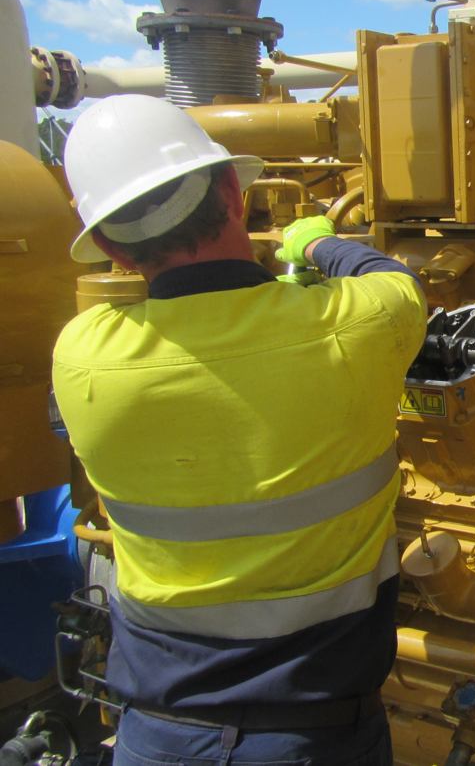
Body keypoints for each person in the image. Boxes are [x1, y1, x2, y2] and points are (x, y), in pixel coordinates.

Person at [52, 94, 427, 766]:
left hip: (155, 735)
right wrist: (313, 239)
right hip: (316, 736)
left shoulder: (81, 357)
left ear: (107, 245)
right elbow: (395, 280)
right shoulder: (358, 325)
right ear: (233, 188)